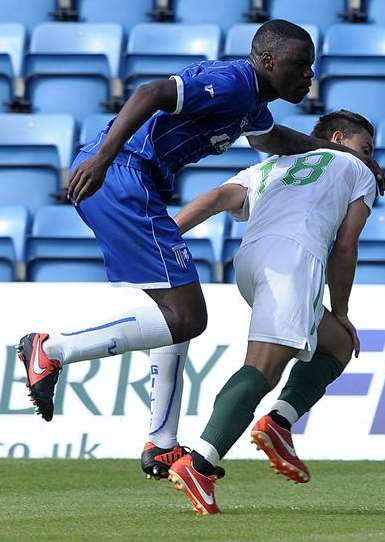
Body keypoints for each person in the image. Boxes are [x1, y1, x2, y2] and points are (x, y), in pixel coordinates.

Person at [16, 20, 381, 478]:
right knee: (188, 315)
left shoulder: (253, 106)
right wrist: (104, 157)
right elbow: (150, 92)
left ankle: (162, 443)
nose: (309, 75)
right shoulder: (232, 82)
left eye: (311, 66)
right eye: (299, 65)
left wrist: (347, 156)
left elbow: (278, 141)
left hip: (137, 182)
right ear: (268, 61)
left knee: (176, 317)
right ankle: (52, 350)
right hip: (125, 173)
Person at [167, 110, 377, 515]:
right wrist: (343, 308)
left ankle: (279, 423)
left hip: (249, 262)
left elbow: (214, 200)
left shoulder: (273, 165)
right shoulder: (356, 168)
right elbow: (346, 246)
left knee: (335, 343)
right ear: (338, 137)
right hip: (294, 258)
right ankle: (200, 463)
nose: (371, 157)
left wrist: (164, 238)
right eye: (366, 147)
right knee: (263, 367)